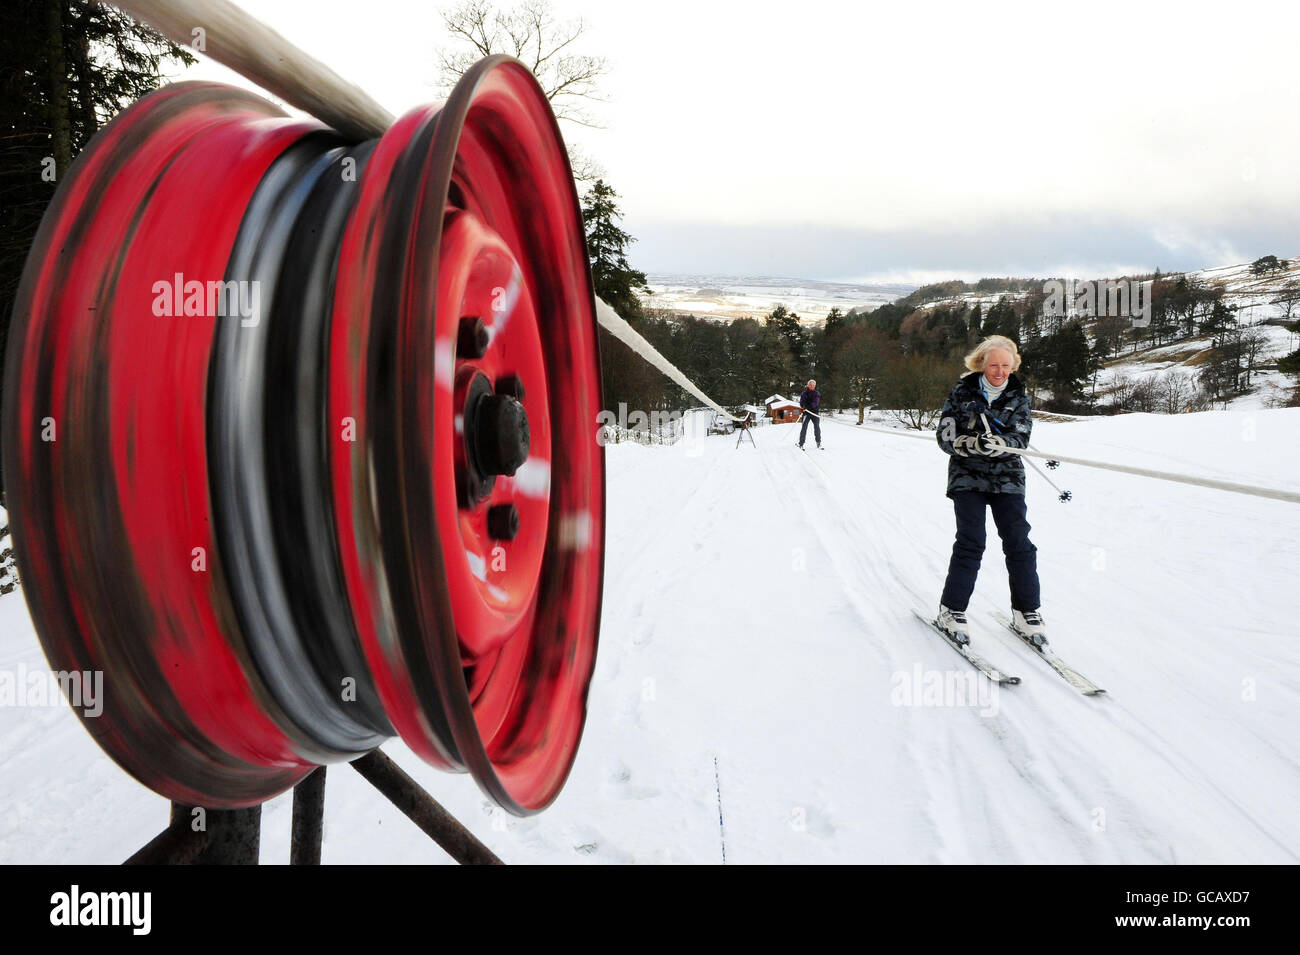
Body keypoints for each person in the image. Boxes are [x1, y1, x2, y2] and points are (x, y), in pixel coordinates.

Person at [933, 336, 1044, 646]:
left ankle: (1026, 611)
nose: (1000, 371)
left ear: (1014, 365)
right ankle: (952, 610)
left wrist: (1001, 444)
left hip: (1007, 477)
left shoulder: (1019, 396)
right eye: (994, 365)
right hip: (967, 476)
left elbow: (1021, 437)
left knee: (1019, 541)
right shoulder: (961, 392)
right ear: (981, 363)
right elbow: (945, 434)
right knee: (972, 540)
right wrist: (966, 443)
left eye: (1006, 365)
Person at [797, 379, 822, 449]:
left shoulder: (817, 393)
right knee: (804, 427)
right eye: (810, 385)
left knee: (817, 427)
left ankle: (818, 442)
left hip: (814, 413)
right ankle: (801, 443)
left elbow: (815, 402)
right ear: (808, 385)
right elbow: (801, 402)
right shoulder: (804, 393)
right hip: (806, 413)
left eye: (813, 385)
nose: (812, 386)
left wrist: (808, 406)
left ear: (815, 386)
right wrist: (803, 406)